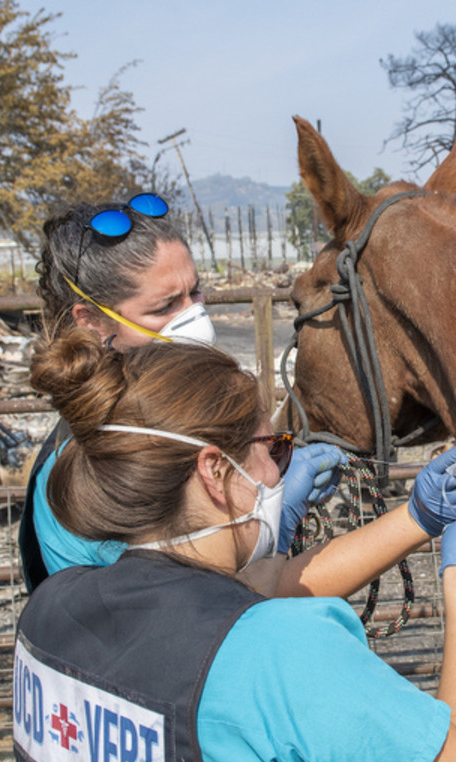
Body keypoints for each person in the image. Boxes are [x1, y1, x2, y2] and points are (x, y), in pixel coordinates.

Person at [13, 328, 456, 762]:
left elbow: (235, 603)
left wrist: (418, 519)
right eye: (274, 447)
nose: (280, 467)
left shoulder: (50, 610)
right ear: (214, 472)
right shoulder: (282, 655)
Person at [18, 193, 346, 591]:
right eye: (165, 306)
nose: (197, 320)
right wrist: (275, 523)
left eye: (195, 293)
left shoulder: (158, 420)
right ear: (91, 322)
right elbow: (197, 605)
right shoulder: (97, 458)